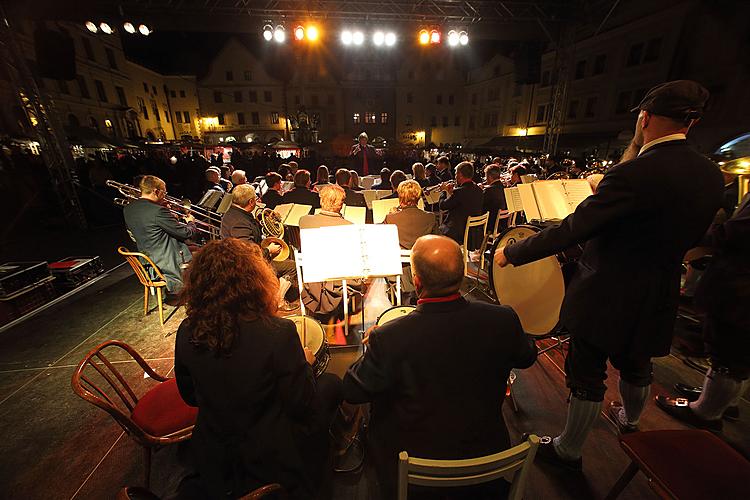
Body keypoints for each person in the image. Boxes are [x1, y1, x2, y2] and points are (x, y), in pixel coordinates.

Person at [494, 80, 723, 470]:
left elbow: (572, 230)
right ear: (690, 123)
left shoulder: (633, 175)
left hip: (607, 290)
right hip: (660, 288)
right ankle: (631, 422)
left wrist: (512, 253)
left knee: (587, 372)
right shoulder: (710, 175)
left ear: (645, 118)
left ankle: (569, 450)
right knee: (637, 364)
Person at [343, 235, 537, 498]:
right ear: (462, 274)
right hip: (488, 454)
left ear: (417, 281)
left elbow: (353, 391)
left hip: (413, 468)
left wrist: (374, 347)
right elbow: (527, 356)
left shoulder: (389, 337)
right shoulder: (503, 319)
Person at [174, 239, 343, 499]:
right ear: (253, 282)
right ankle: (326, 463)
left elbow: (189, 396)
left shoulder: (187, 330)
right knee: (331, 384)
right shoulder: (278, 334)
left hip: (214, 448)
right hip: (269, 453)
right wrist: (305, 366)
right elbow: (301, 404)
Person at [655, 191, 750, 430]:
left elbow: (736, 233)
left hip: (740, 285)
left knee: (728, 353)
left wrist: (692, 237)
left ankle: (706, 412)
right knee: (738, 355)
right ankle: (726, 400)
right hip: (740, 281)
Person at [122, 175, 196, 299]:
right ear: (156, 191)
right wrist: (190, 222)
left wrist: (170, 216)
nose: (165, 196)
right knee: (208, 256)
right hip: (167, 261)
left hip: (149, 259)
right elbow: (186, 233)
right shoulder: (157, 211)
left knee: (196, 248)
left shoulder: (128, 209)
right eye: (164, 192)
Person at [220, 184, 298, 298]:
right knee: (292, 266)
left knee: (287, 261)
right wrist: (269, 250)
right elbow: (249, 254)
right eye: (256, 198)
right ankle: (279, 300)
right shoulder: (239, 222)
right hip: (244, 266)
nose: (257, 201)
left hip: (243, 260)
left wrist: (263, 218)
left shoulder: (234, 213)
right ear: (251, 202)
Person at [439, 161, 484, 243]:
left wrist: (443, 191)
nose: (455, 177)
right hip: (474, 233)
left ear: (460, 175)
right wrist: (451, 193)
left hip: (458, 232)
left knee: (435, 230)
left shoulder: (459, 192)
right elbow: (462, 202)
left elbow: (443, 206)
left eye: (456, 174)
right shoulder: (479, 189)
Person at [482, 164, 508, 231]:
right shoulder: (504, 187)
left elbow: (481, 205)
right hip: (501, 223)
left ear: (489, 176)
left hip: (490, 224)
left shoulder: (488, 190)